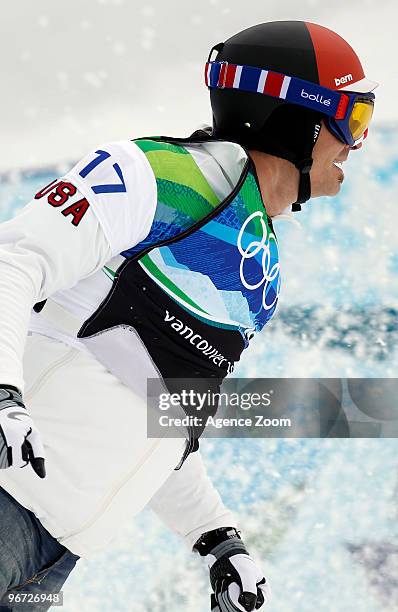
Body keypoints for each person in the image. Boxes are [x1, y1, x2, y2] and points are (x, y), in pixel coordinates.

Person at [0, 20, 377, 612]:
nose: (356, 143)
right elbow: (12, 261)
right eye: (352, 119)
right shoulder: (155, 173)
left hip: (52, 559)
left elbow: (162, 415)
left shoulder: (260, 273)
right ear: (296, 116)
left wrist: (217, 540)